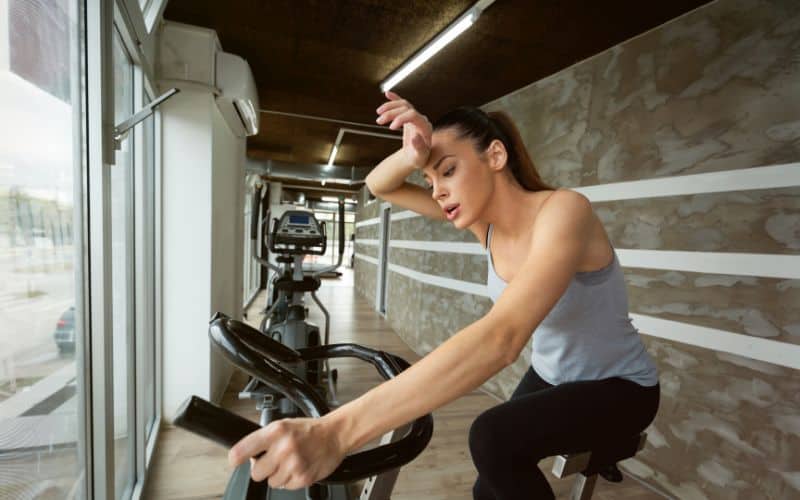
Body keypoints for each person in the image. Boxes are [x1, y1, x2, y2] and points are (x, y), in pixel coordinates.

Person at [227, 91, 660, 499]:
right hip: (553, 374)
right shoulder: (485, 227)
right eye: (429, 177)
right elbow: (381, 185)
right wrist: (412, 153)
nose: (436, 189)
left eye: (448, 170)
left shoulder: (565, 210)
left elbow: (502, 338)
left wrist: (336, 432)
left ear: (495, 155)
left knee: (492, 439)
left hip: (620, 386)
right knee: (487, 487)